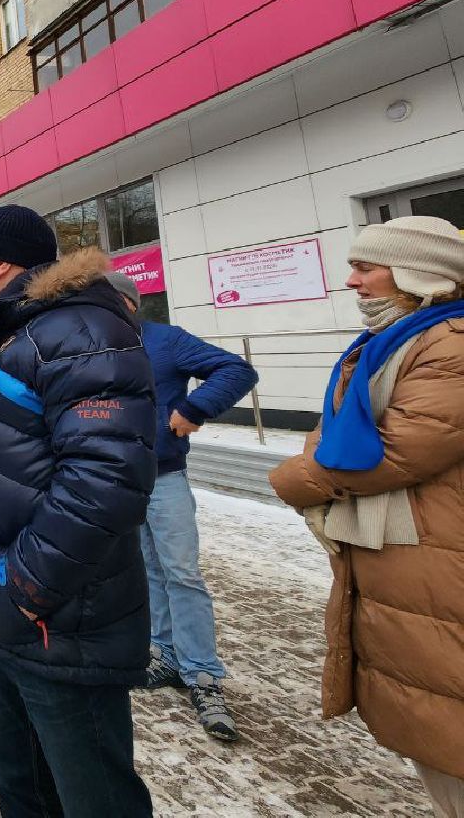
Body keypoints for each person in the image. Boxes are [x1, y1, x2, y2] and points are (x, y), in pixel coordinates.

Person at [0, 203, 156, 818]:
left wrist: (25, 584)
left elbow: (106, 479)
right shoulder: (11, 332)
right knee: (20, 779)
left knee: (93, 797)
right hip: (2, 621)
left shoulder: (78, 333)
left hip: (57, 625)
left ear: (0, 263)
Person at [269, 216, 464, 817]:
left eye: (365, 267)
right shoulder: (398, 340)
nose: (352, 281)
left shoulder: (450, 343)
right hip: (411, 558)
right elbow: (334, 433)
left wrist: (295, 481)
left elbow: (406, 447)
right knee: (436, 730)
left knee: (449, 724)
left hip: (438, 559)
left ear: (418, 275)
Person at [105, 272, 258, 743]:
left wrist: (194, 409)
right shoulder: (102, 347)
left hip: (165, 477)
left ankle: (202, 674)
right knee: (148, 568)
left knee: (182, 572)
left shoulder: (165, 340)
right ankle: (165, 654)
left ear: (127, 305)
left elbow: (236, 369)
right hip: (121, 479)